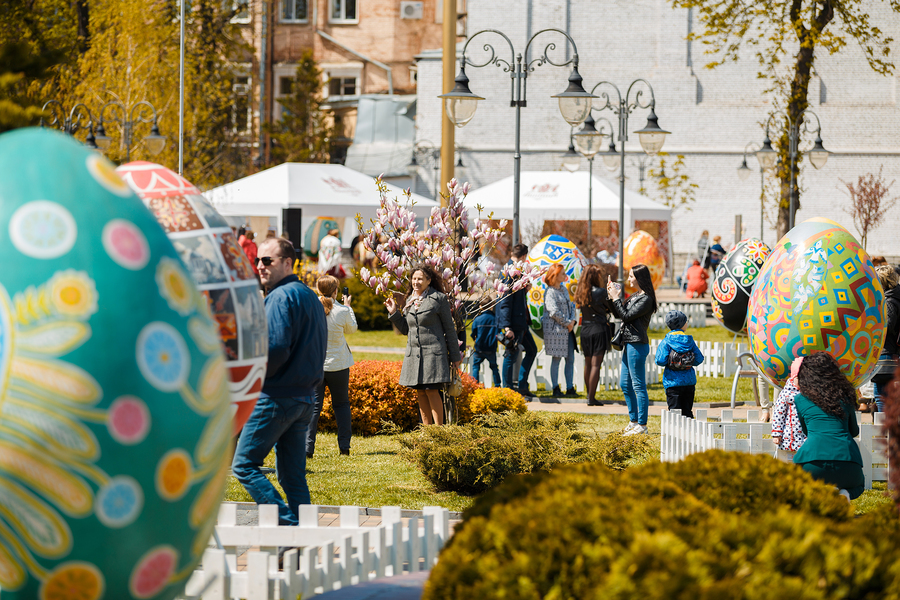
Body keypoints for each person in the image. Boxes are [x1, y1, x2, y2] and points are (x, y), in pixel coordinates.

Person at [232, 238, 327, 526]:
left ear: (288, 262)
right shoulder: (309, 296)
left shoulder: (279, 296)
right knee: (292, 475)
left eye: (267, 261)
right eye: (258, 260)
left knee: (244, 465)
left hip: (276, 397)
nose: (260, 266)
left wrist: (254, 377)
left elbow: (274, 349)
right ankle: (303, 538)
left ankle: (288, 527)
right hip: (304, 399)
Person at [385, 265, 461, 425]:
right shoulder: (409, 300)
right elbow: (407, 329)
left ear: (429, 280)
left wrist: (455, 356)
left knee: (432, 391)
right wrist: (394, 313)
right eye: (414, 278)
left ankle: (438, 431)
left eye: (420, 279)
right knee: (420, 393)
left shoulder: (438, 299)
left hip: (434, 355)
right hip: (415, 356)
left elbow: (449, 329)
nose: (416, 282)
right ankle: (426, 432)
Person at [792, 352, 865, 500]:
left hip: (811, 462)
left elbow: (807, 431)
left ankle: (818, 498)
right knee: (859, 486)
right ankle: (845, 495)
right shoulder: (846, 395)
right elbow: (854, 431)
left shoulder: (800, 399)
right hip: (848, 460)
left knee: (794, 485)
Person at [306, 275, 357, 458]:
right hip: (339, 365)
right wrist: (349, 307)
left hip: (316, 365)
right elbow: (352, 329)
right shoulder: (342, 310)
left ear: (318, 290)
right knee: (342, 405)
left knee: (314, 407)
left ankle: (307, 449)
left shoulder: (311, 308)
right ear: (335, 291)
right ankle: (344, 448)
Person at [607, 264, 658, 435]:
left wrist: (616, 299)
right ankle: (633, 420)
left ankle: (642, 425)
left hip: (637, 344)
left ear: (639, 278)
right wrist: (611, 297)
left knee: (638, 385)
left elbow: (627, 316)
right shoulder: (635, 296)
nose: (628, 279)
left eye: (631, 276)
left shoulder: (647, 299)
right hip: (628, 343)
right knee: (625, 383)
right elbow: (618, 314)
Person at [496, 244, 538, 395]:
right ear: (524, 256)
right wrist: (507, 327)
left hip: (521, 321)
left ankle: (522, 386)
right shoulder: (509, 272)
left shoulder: (514, 271)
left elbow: (514, 297)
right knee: (511, 354)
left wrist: (524, 290)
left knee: (532, 350)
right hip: (514, 323)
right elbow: (504, 301)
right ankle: (507, 389)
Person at [575, 264, 614, 406]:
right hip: (599, 328)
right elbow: (612, 309)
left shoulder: (581, 291)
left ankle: (589, 395)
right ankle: (591, 398)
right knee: (596, 365)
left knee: (588, 364)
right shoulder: (601, 292)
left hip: (585, 329)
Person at [654, 310, 704, 419]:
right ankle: (690, 433)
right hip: (689, 382)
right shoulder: (689, 340)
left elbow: (659, 360)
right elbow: (699, 359)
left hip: (672, 383)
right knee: (687, 411)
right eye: (686, 321)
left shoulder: (666, 341)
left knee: (674, 413)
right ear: (682, 324)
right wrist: (688, 362)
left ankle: (677, 434)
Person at [542, 264, 578, 397]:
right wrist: (568, 323)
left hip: (567, 330)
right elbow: (553, 311)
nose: (565, 275)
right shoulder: (550, 292)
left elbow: (571, 306)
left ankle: (569, 387)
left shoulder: (563, 289)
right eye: (562, 273)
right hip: (556, 331)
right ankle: (556, 388)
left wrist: (572, 321)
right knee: (556, 359)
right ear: (555, 276)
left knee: (570, 358)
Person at [871, 265, 900, 412]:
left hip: (885, 355)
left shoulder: (889, 301)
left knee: (880, 396)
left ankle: (884, 431)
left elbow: (886, 326)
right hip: (891, 353)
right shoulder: (895, 298)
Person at [771, 357, 807, 462]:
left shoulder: (809, 393)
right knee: (789, 460)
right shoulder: (786, 393)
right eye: (799, 379)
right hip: (789, 436)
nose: (802, 382)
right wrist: (777, 433)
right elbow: (779, 413)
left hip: (805, 437)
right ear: (793, 377)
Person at [470, 296, 502, 387]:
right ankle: (497, 385)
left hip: (479, 347)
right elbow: (499, 333)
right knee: (494, 367)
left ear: (480, 306)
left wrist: (475, 339)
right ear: (492, 305)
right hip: (491, 347)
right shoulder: (495, 319)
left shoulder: (477, 319)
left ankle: (474, 385)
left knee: (476, 367)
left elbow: (473, 333)